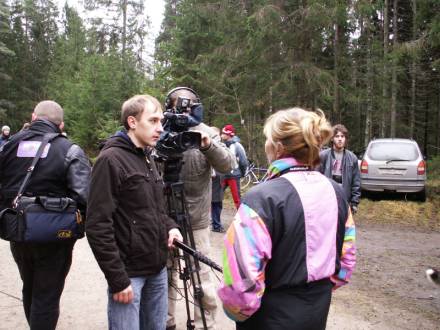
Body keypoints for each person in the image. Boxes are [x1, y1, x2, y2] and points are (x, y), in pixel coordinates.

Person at [218, 108, 356, 330]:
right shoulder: (337, 192)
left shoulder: (262, 198)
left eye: (267, 139)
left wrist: (238, 312)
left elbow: (241, 279)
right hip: (316, 312)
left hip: (268, 317)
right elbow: (346, 260)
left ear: (278, 147)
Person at [86, 95, 182, 330]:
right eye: (153, 121)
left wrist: (170, 226)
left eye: (161, 121)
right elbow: (97, 225)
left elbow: (154, 208)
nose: (160, 128)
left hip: (157, 270)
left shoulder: (147, 156)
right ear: (132, 122)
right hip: (129, 275)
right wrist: (118, 280)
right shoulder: (110, 160)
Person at [0, 100, 91, 329]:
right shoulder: (69, 150)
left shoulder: (9, 146)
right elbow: (85, 196)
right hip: (56, 237)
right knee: (47, 294)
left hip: (18, 231)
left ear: (33, 118)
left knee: (29, 286)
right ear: (61, 125)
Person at [165, 87, 236, 330]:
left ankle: (204, 323)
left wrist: (207, 145)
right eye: (179, 106)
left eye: (190, 105)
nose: (185, 110)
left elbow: (228, 165)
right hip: (163, 219)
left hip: (196, 220)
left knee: (200, 276)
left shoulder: (205, 133)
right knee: (165, 275)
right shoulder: (159, 129)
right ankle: (165, 321)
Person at [319, 124, 361, 213]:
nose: (340, 139)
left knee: (343, 225)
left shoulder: (352, 158)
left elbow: (356, 182)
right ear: (332, 138)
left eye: (342, 136)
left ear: (345, 139)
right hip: (327, 199)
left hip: (344, 199)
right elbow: (317, 179)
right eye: (337, 136)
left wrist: (354, 202)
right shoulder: (323, 156)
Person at [220, 124, 248, 209]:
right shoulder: (222, 145)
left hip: (234, 176)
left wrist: (242, 173)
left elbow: (243, 162)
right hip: (223, 175)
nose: (221, 135)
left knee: (237, 199)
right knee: (216, 196)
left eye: (223, 133)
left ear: (229, 135)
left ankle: (242, 218)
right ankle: (214, 219)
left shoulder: (237, 146)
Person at [210, 128, 225, 233]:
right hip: (215, 177)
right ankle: (216, 225)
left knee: (216, 202)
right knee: (216, 202)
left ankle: (216, 223)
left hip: (218, 177)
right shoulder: (211, 146)